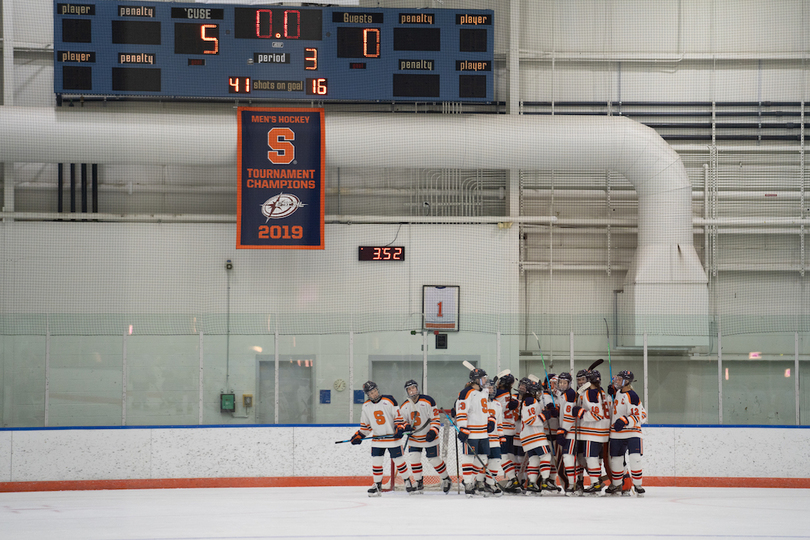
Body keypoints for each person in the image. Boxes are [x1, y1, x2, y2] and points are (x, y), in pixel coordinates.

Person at [350, 380, 415, 496]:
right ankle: (377, 485)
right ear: (368, 395)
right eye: (371, 393)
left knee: (399, 461)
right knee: (376, 462)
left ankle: (407, 481)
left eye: (375, 391)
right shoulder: (366, 406)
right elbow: (366, 426)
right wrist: (358, 436)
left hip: (392, 439)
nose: (374, 394)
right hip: (377, 440)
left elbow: (398, 418)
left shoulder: (389, 400)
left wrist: (399, 429)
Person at [399, 379, 452, 493]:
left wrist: (433, 431)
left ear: (417, 388)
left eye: (413, 388)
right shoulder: (404, 405)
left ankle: (446, 478)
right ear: (407, 391)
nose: (412, 391)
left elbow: (435, 419)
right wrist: (406, 426)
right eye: (409, 389)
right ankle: (418, 482)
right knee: (414, 459)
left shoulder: (428, 401)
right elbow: (401, 421)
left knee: (433, 460)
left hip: (429, 437)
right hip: (414, 438)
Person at [605, 370, 647, 496]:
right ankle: (617, 484)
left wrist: (624, 421)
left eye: (620, 379)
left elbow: (638, 416)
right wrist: (610, 395)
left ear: (627, 381)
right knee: (616, 460)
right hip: (617, 434)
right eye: (616, 379)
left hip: (633, 433)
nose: (617, 381)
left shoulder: (633, 396)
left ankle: (638, 485)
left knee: (635, 458)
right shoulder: (617, 393)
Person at [571, 370, 610, 495]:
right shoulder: (602, 391)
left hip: (592, 432)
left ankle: (595, 483)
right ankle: (596, 481)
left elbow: (596, 415)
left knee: (590, 457)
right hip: (603, 432)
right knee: (596, 458)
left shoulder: (590, 393)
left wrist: (580, 412)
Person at [455, 367, 492, 497]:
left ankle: (468, 481)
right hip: (471, 431)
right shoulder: (466, 392)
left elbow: (486, 409)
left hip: (483, 432)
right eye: (483, 378)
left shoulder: (485, 392)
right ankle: (468, 483)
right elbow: (461, 411)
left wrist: (490, 420)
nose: (485, 380)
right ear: (476, 380)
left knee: (483, 458)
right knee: (469, 457)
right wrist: (463, 428)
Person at [519, 378, 556, 494]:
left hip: (527, 437)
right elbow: (530, 420)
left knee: (534, 459)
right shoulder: (531, 401)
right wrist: (544, 416)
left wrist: (547, 411)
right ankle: (544, 482)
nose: (540, 393)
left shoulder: (529, 400)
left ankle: (532, 483)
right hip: (535, 435)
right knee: (545, 456)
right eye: (538, 391)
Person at [494, 370, 521, 493]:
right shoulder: (510, 395)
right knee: (510, 457)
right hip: (512, 429)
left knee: (502, 457)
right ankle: (514, 480)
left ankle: (512, 479)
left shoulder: (498, 394)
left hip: (502, 430)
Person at [556, 372, 580, 495]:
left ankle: (572, 484)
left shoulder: (570, 394)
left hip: (570, 431)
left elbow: (569, 416)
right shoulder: (563, 394)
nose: (562, 384)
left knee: (568, 457)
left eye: (564, 382)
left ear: (569, 383)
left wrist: (563, 430)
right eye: (560, 382)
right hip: (568, 431)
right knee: (569, 458)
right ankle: (575, 483)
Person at [479, 379, 504, 496]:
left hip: (494, 438)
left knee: (496, 460)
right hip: (481, 436)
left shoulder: (498, 404)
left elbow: (499, 422)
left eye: (492, 388)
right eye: (488, 388)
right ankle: (478, 483)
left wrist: (501, 436)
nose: (490, 390)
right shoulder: (478, 401)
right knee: (481, 461)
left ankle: (490, 483)